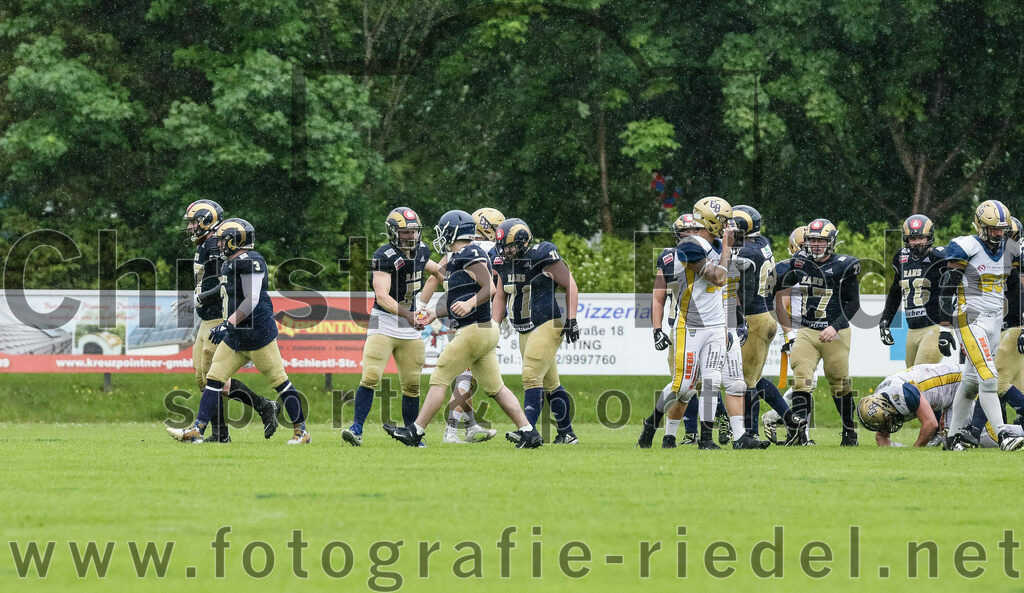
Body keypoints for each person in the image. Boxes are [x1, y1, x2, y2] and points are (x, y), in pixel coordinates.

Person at [383, 210, 541, 448]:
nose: (440, 236)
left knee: (439, 377)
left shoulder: (470, 252)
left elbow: (489, 288)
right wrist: (434, 313)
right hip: (482, 329)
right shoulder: (459, 257)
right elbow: (458, 299)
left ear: (453, 231)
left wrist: (470, 303)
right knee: (496, 387)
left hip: (474, 329)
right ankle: (529, 432)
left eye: (443, 231)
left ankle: (415, 431)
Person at [167, 219, 310, 444]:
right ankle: (198, 429)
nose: (219, 245)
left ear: (236, 240)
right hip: (235, 337)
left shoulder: (251, 261)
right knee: (213, 379)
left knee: (280, 383)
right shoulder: (229, 263)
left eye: (223, 240)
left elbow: (251, 299)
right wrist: (201, 300)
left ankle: (301, 432)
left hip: (257, 336)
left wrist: (227, 323)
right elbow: (224, 289)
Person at [636, 197, 734, 450]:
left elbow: (725, 291)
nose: (726, 227)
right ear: (710, 220)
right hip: (690, 325)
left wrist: (727, 326)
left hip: (715, 325)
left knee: (712, 381)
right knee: (683, 387)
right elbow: (718, 278)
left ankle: (707, 439)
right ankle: (651, 424)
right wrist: (727, 251)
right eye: (723, 221)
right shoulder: (690, 244)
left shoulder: (715, 244)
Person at [341, 207, 443, 446]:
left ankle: (412, 435)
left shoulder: (422, 251)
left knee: (412, 384)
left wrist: (427, 303)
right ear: (393, 232)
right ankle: (356, 429)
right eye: (406, 232)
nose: (411, 236)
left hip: (409, 325)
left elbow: (438, 272)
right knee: (370, 376)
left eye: (414, 231)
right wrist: (409, 314)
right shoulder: (384, 255)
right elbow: (382, 296)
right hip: (384, 322)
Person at [418, 207, 505, 444]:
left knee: (464, 373)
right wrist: (494, 324)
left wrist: (422, 306)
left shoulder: (461, 251)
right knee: (464, 375)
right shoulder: (480, 251)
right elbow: (496, 289)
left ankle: (470, 426)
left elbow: (436, 275)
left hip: (459, 314)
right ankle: (451, 430)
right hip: (475, 318)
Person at [942, 200, 1024, 451]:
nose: (998, 234)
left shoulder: (1011, 250)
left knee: (970, 383)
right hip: (970, 318)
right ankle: (1003, 435)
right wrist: (944, 328)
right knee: (988, 378)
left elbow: (1014, 290)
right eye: (993, 229)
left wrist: (1021, 324)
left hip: (995, 320)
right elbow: (947, 286)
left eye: (1002, 229)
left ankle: (952, 438)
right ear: (980, 226)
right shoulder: (966, 247)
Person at [493, 217, 581, 444]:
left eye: (511, 246)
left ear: (524, 242)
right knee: (551, 384)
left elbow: (569, 284)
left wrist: (572, 319)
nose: (506, 251)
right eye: (503, 247)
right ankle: (567, 433)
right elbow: (500, 296)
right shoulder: (503, 263)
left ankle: (527, 430)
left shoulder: (542, 255)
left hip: (546, 322)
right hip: (524, 329)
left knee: (531, 375)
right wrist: (493, 327)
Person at [775, 219, 861, 446]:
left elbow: (853, 304)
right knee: (801, 380)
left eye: (820, 241)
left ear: (831, 242)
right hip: (807, 330)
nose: (815, 245)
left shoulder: (844, 265)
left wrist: (835, 326)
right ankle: (799, 434)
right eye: (812, 240)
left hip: (836, 332)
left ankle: (849, 431)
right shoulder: (800, 263)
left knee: (839, 383)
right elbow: (778, 284)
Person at [879, 214, 953, 366]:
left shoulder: (939, 257)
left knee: (920, 376)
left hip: (934, 327)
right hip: (912, 329)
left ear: (929, 237)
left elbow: (949, 294)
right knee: (910, 376)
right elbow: (895, 292)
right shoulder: (901, 258)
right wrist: (886, 319)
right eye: (913, 238)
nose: (917, 242)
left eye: (921, 237)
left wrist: (945, 328)